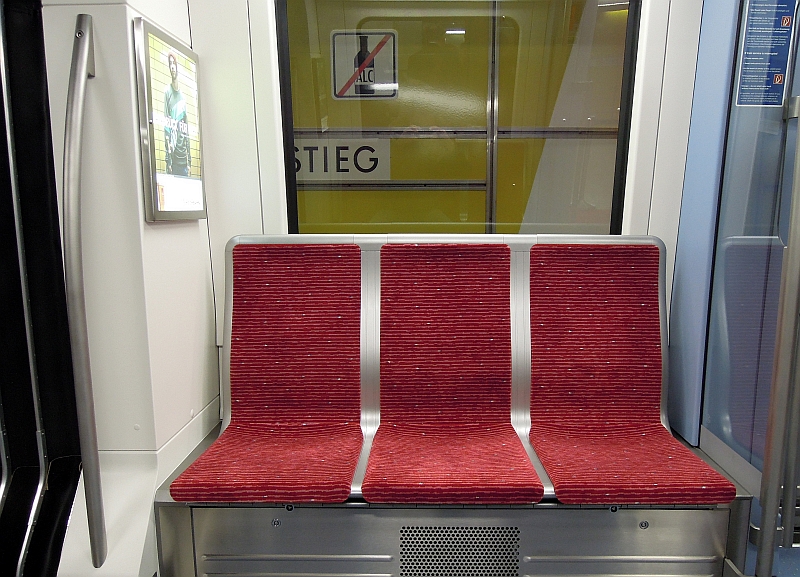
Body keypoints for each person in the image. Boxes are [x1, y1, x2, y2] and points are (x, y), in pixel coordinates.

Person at [163, 53, 191, 176]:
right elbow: (166, 129)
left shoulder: (183, 98)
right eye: (170, 64)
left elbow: (187, 133)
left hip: (183, 160)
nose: (172, 67)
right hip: (173, 160)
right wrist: (168, 160)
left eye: (174, 63)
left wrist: (189, 161)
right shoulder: (167, 93)